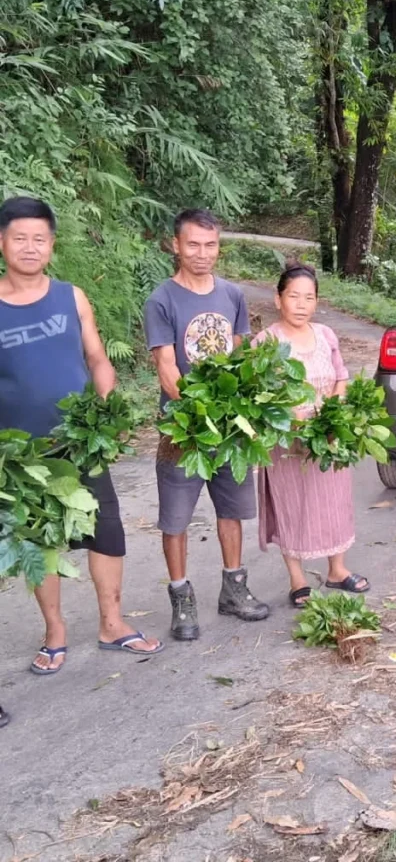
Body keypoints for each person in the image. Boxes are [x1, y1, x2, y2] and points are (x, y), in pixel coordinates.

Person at [0, 196, 163, 704]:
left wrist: (106, 408)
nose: (30, 247)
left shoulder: (72, 297)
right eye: (20, 237)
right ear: (2, 242)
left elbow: (98, 360)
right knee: (41, 543)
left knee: (107, 531)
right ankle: (55, 632)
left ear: (52, 245)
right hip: (24, 458)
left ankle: (113, 624)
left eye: (39, 239)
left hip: (79, 442)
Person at [144, 209, 268, 640]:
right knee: (175, 519)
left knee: (231, 510)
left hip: (229, 427)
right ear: (175, 245)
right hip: (185, 430)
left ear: (219, 246)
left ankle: (234, 589)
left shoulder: (232, 295)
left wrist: (237, 411)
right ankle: (181, 599)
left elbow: (237, 356)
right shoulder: (161, 299)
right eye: (193, 244)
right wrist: (202, 412)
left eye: (210, 244)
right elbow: (166, 368)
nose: (202, 253)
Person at [252, 265, 368, 605]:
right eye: (293, 296)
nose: (301, 305)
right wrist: (292, 416)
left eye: (309, 298)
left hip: (328, 438)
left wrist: (332, 410)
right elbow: (259, 396)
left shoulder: (327, 335)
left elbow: (342, 378)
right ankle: (297, 579)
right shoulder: (266, 342)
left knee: (333, 503)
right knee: (294, 506)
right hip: (287, 444)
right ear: (278, 299)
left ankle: (338, 570)